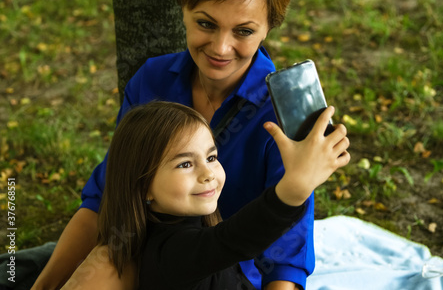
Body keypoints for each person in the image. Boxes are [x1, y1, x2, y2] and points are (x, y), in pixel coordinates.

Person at [32, 0, 317, 289]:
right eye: (206, 24)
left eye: (244, 31)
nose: (221, 48)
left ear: (269, 26)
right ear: (183, 9)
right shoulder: (151, 81)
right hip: (151, 253)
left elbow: (286, 256)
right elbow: (108, 194)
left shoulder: (282, 113)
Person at [61, 101, 350, 289]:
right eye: (185, 164)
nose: (208, 173)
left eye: (211, 157)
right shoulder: (168, 255)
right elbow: (233, 240)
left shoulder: (183, 228)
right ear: (143, 186)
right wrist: (294, 189)